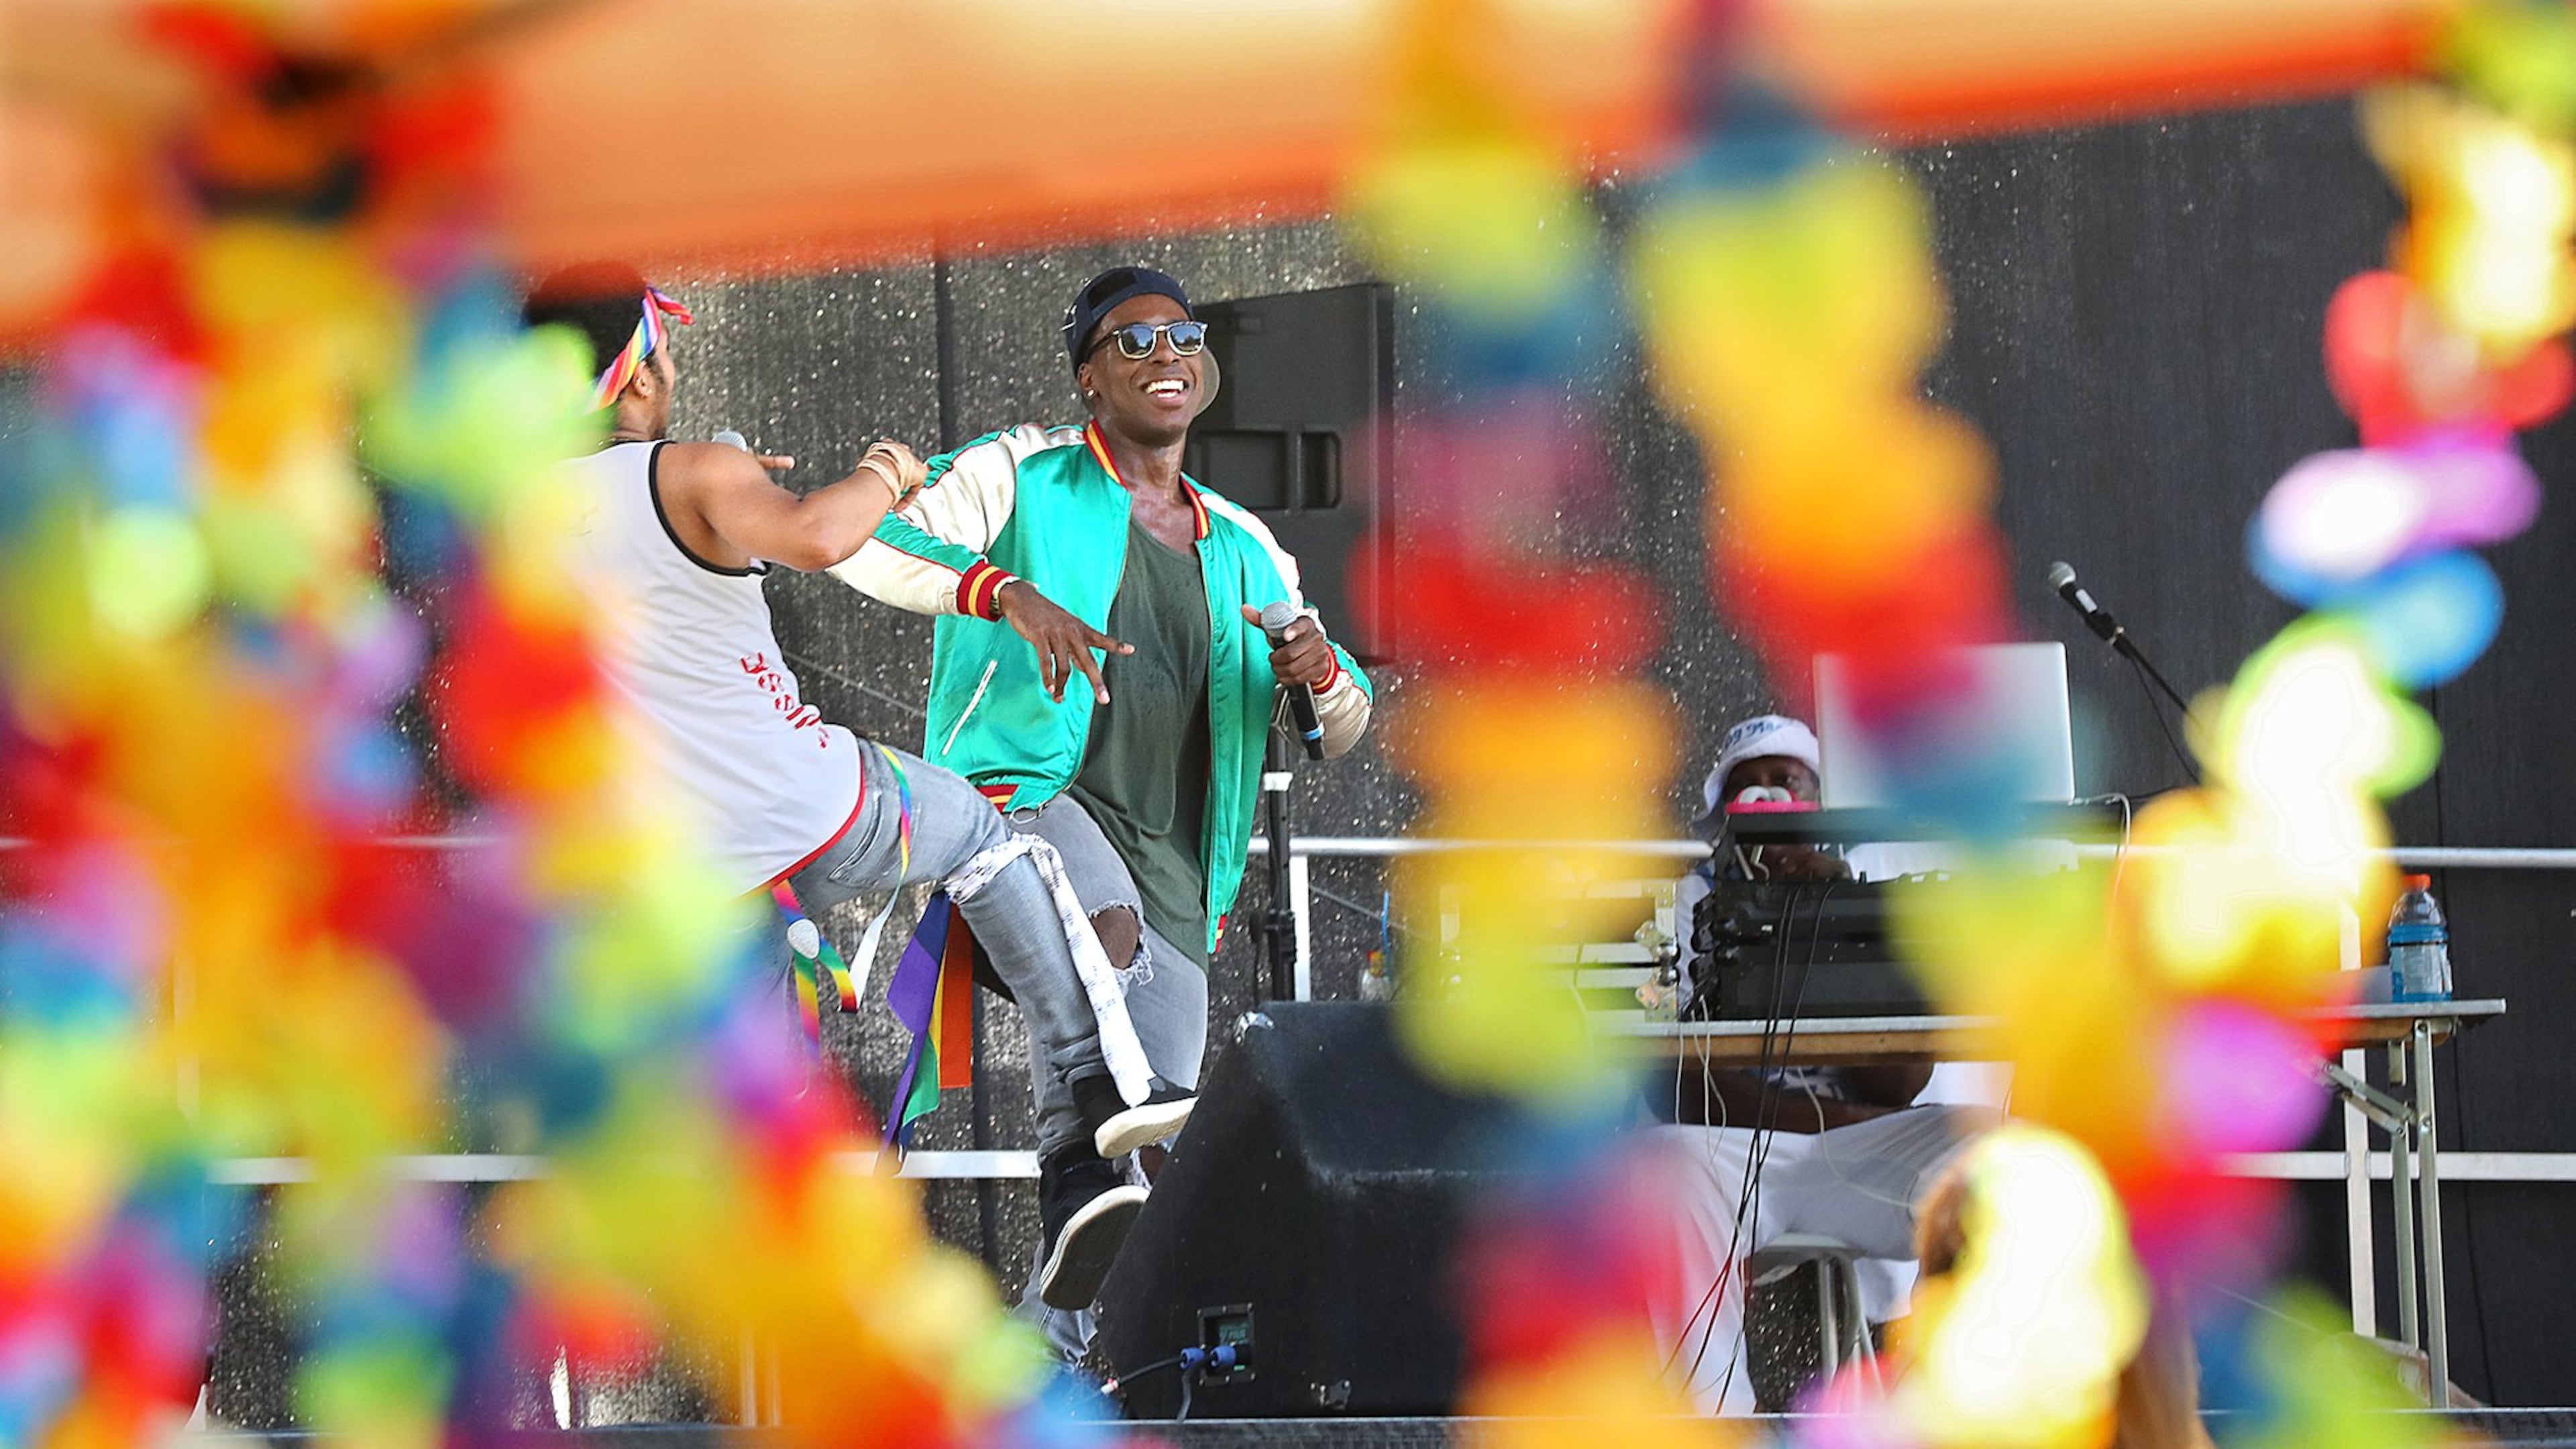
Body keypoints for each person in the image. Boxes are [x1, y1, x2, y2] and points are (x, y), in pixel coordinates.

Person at [527, 264, 1191, 1309]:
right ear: (639, 375)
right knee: (990, 840)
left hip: (674, 862)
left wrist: (747, 499)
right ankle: (1082, 1130)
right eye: (667, 355)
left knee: (749, 1068)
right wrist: (884, 471)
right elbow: (825, 538)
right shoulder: (694, 467)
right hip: (814, 805)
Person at [831, 266, 1373, 1328]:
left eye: (1181, 336)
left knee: (1140, 1188)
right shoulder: (1022, 472)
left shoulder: (1248, 546)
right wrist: (1005, 590)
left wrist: (1315, 667)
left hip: (1179, 878)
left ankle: (1054, 1358)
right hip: (1019, 799)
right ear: (1089, 377)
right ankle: (1067, 1170)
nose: (1164, 354)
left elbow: (1346, 721)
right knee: (1100, 935)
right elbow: (861, 540)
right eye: (1132, 342)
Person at [1647, 712, 1992, 1412]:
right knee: (1658, 1169)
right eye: (1751, 788)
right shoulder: (1680, 906)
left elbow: (1901, 1081)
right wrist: (1842, 1118)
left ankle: (1966, 1405)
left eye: (1787, 782)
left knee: (1992, 1150)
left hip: (1859, 1152)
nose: (1770, 799)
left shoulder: (1869, 885)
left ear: (1821, 799)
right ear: (1721, 815)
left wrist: (1833, 919)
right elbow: (1689, 1084)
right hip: (1738, 1154)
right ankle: (1711, 1421)